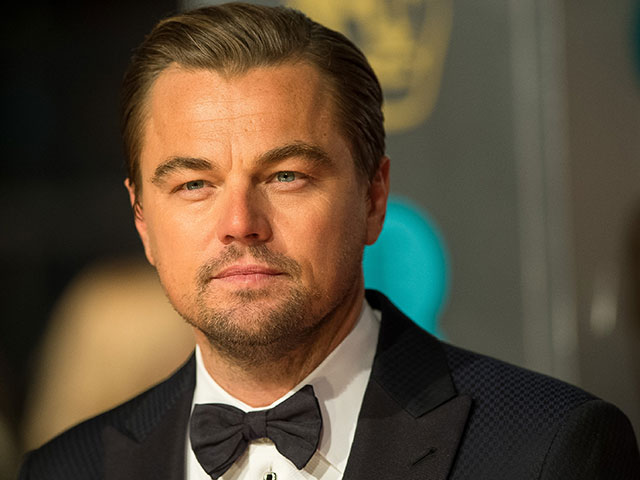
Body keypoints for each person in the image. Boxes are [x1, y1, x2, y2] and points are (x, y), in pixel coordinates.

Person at [18, 3, 640, 479]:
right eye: (194, 184)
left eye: (286, 176)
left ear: (373, 197)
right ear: (142, 220)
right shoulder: (67, 471)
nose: (239, 222)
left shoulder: (546, 448)